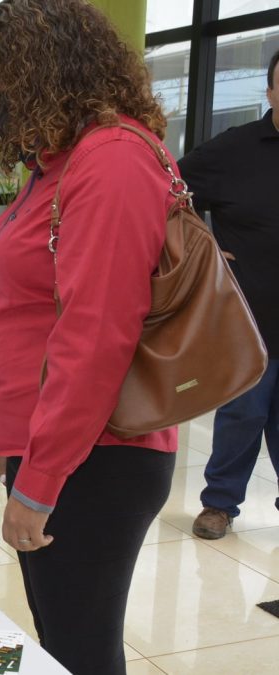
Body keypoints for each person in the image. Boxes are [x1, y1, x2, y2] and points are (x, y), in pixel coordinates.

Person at [0, 2, 179, 673]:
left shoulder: (111, 161)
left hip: (94, 458)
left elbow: (95, 340)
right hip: (54, 447)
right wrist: (15, 447)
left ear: (40, 72)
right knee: (62, 641)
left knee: (81, 652)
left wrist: (38, 483)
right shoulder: (58, 160)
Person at [178, 49, 279, 541]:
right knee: (244, 412)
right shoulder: (235, 149)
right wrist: (204, 248)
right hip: (249, 315)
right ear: (271, 92)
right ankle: (219, 503)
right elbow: (166, 191)